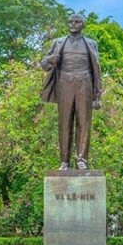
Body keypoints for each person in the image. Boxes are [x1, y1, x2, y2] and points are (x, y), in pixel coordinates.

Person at [40, 14, 102, 170]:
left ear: (83, 24)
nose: (73, 24)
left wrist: (97, 95)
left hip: (85, 85)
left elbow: (97, 71)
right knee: (64, 123)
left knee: (84, 123)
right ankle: (64, 162)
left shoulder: (91, 44)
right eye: (70, 22)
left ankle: (81, 160)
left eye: (77, 21)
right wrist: (50, 60)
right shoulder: (58, 43)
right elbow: (44, 64)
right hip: (64, 84)